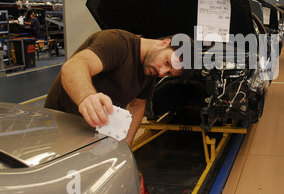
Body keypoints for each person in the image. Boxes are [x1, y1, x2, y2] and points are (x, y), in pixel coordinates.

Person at [45, 29, 190, 146]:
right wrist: (87, 97)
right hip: (60, 128)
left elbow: (138, 105)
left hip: (91, 137)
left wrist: (127, 144)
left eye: (169, 73)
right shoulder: (117, 43)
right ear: (163, 43)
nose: (162, 72)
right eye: (167, 63)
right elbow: (74, 66)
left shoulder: (149, 69)